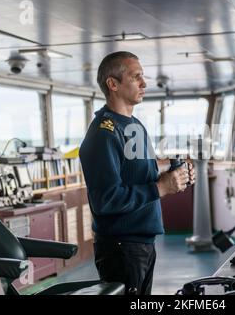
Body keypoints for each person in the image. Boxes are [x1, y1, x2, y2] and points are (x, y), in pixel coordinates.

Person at [79, 51, 195, 295]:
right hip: (121, 247)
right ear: (113, 84)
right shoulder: (104, 134)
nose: (144, 83)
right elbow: (106, 201)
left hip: (142, 242)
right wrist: (160, 188)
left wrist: (174, 177)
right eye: (136, 77)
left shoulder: (133, 125)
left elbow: (140, 175)